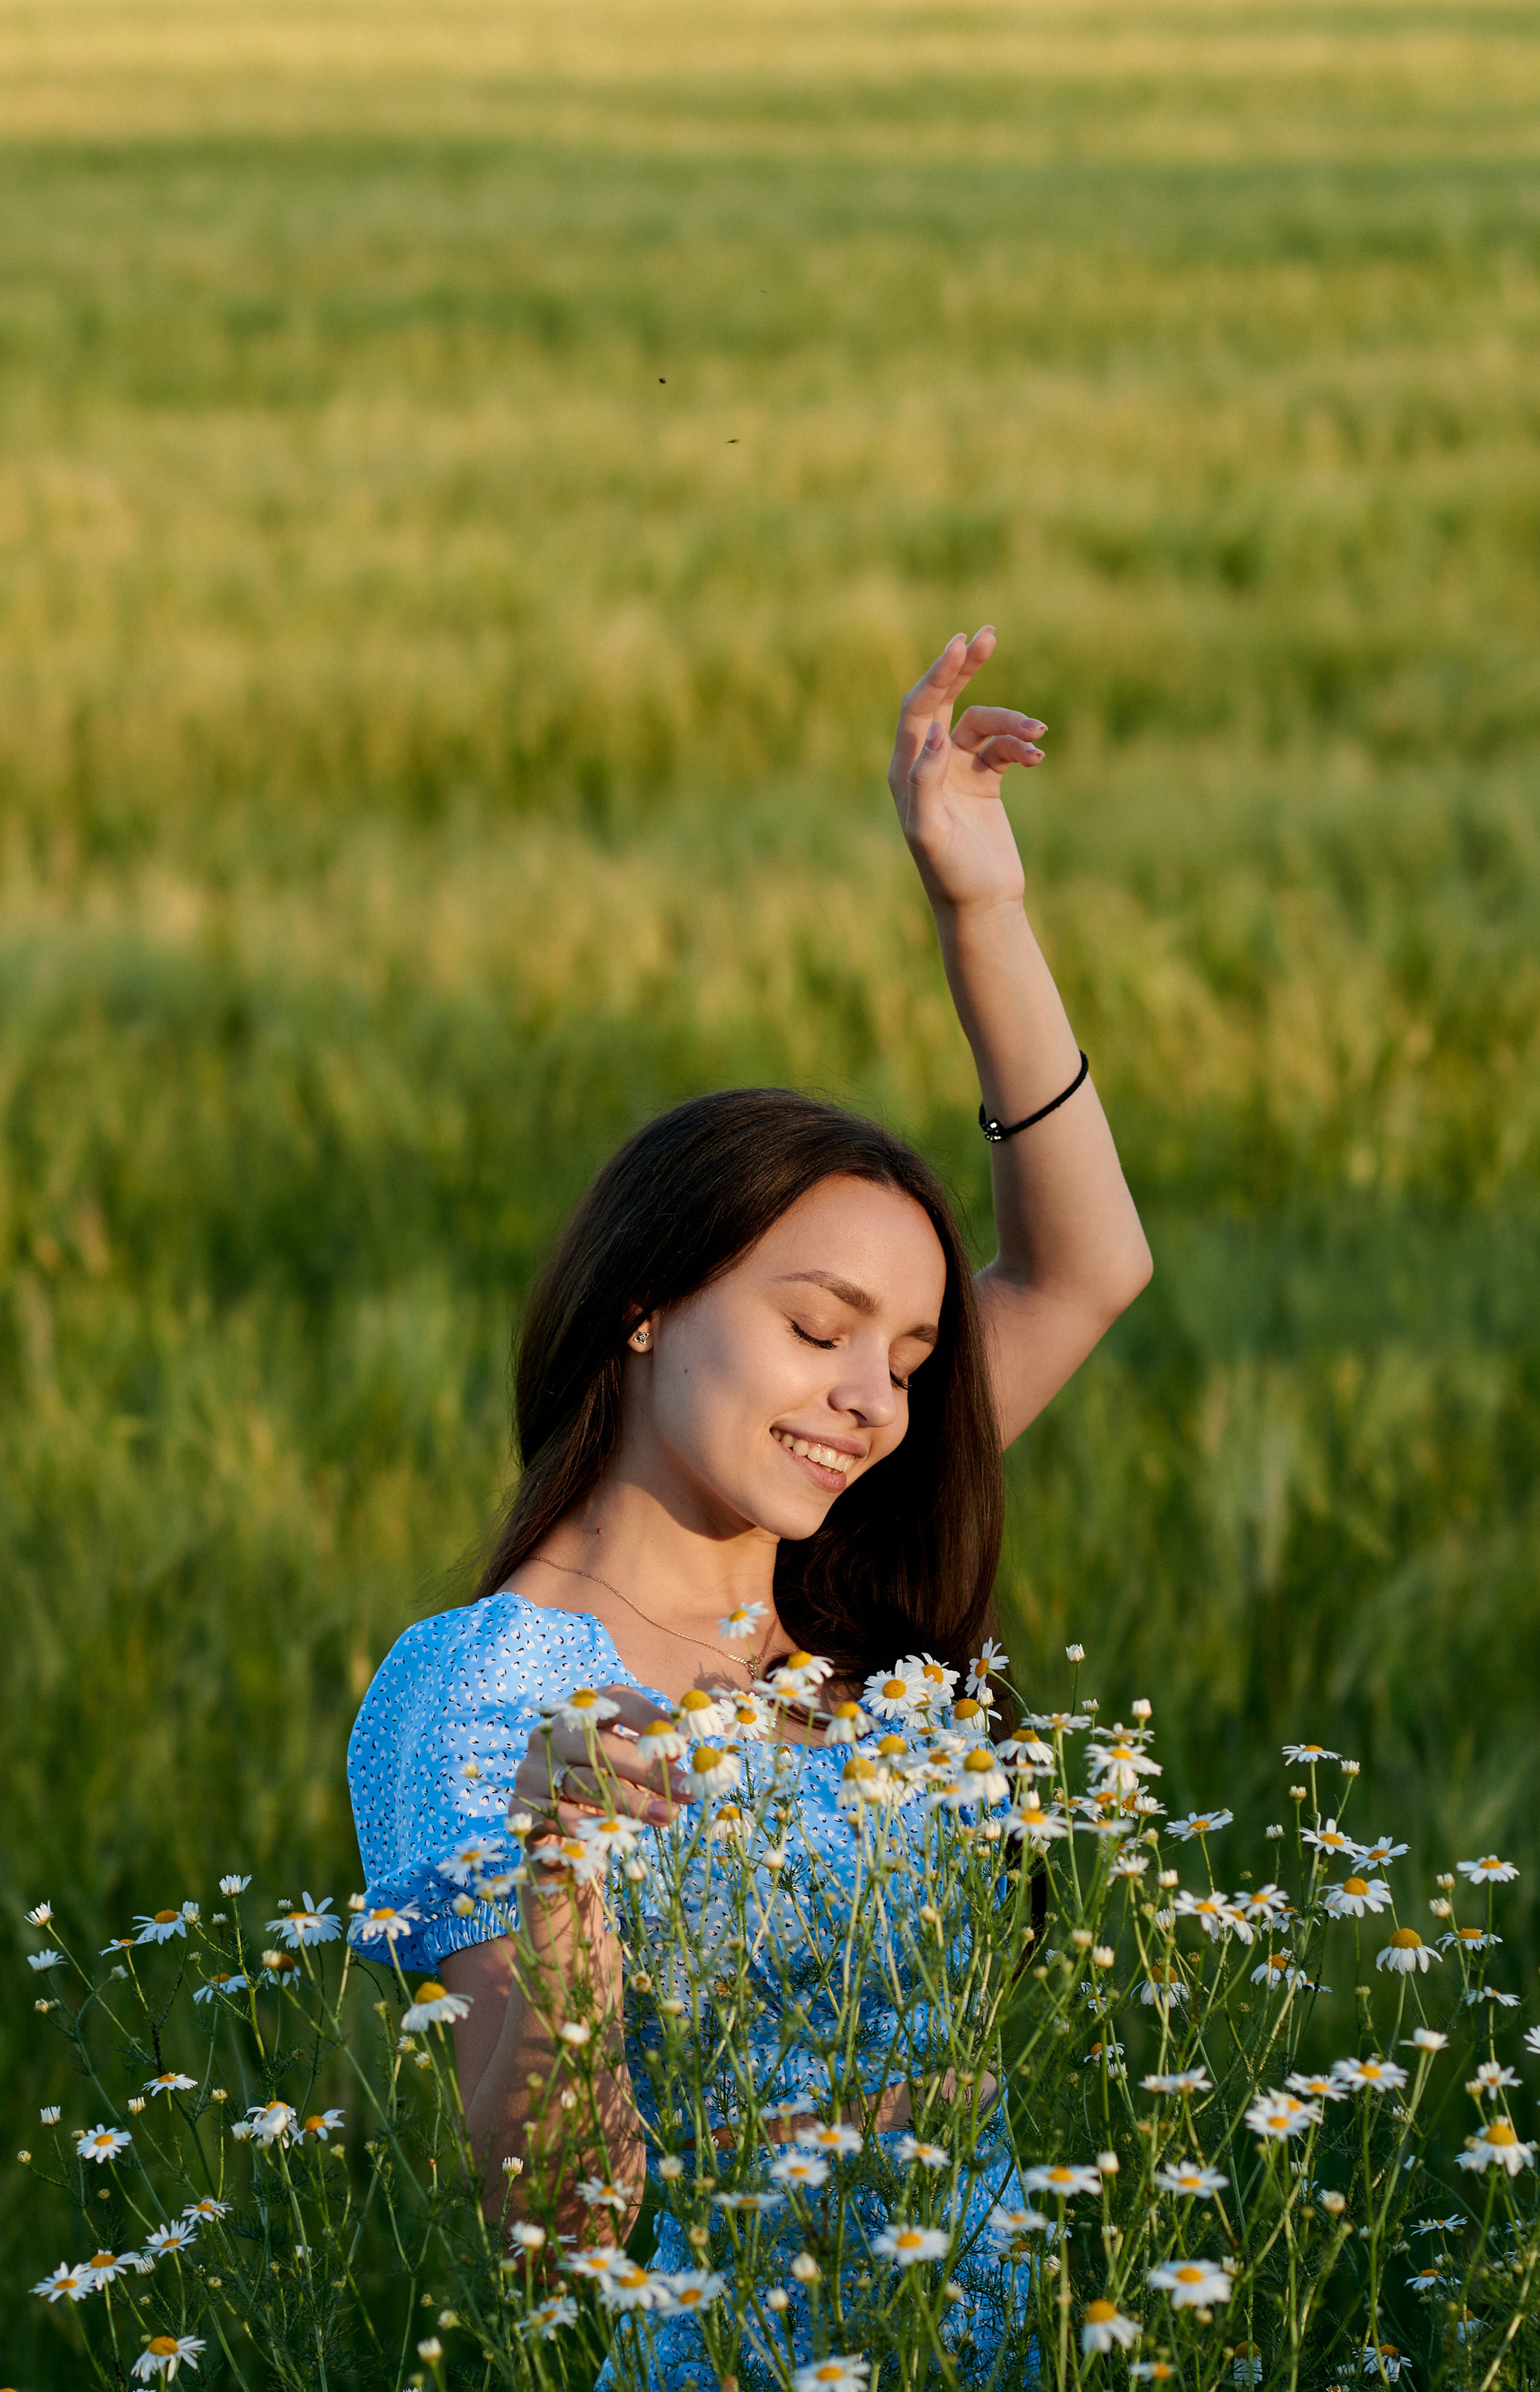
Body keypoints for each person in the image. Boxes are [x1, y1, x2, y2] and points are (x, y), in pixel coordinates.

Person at [348, 626, 1151, 2304]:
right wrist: (560, 1875)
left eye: (913, 1357)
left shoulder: (847, 1577)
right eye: (817, 1326)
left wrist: (979, 912)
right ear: (646, 1305)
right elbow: (560, 2239)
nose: (869, 1399)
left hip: (1003, 2391)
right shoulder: (486, 1693)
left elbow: (1086, 1271)